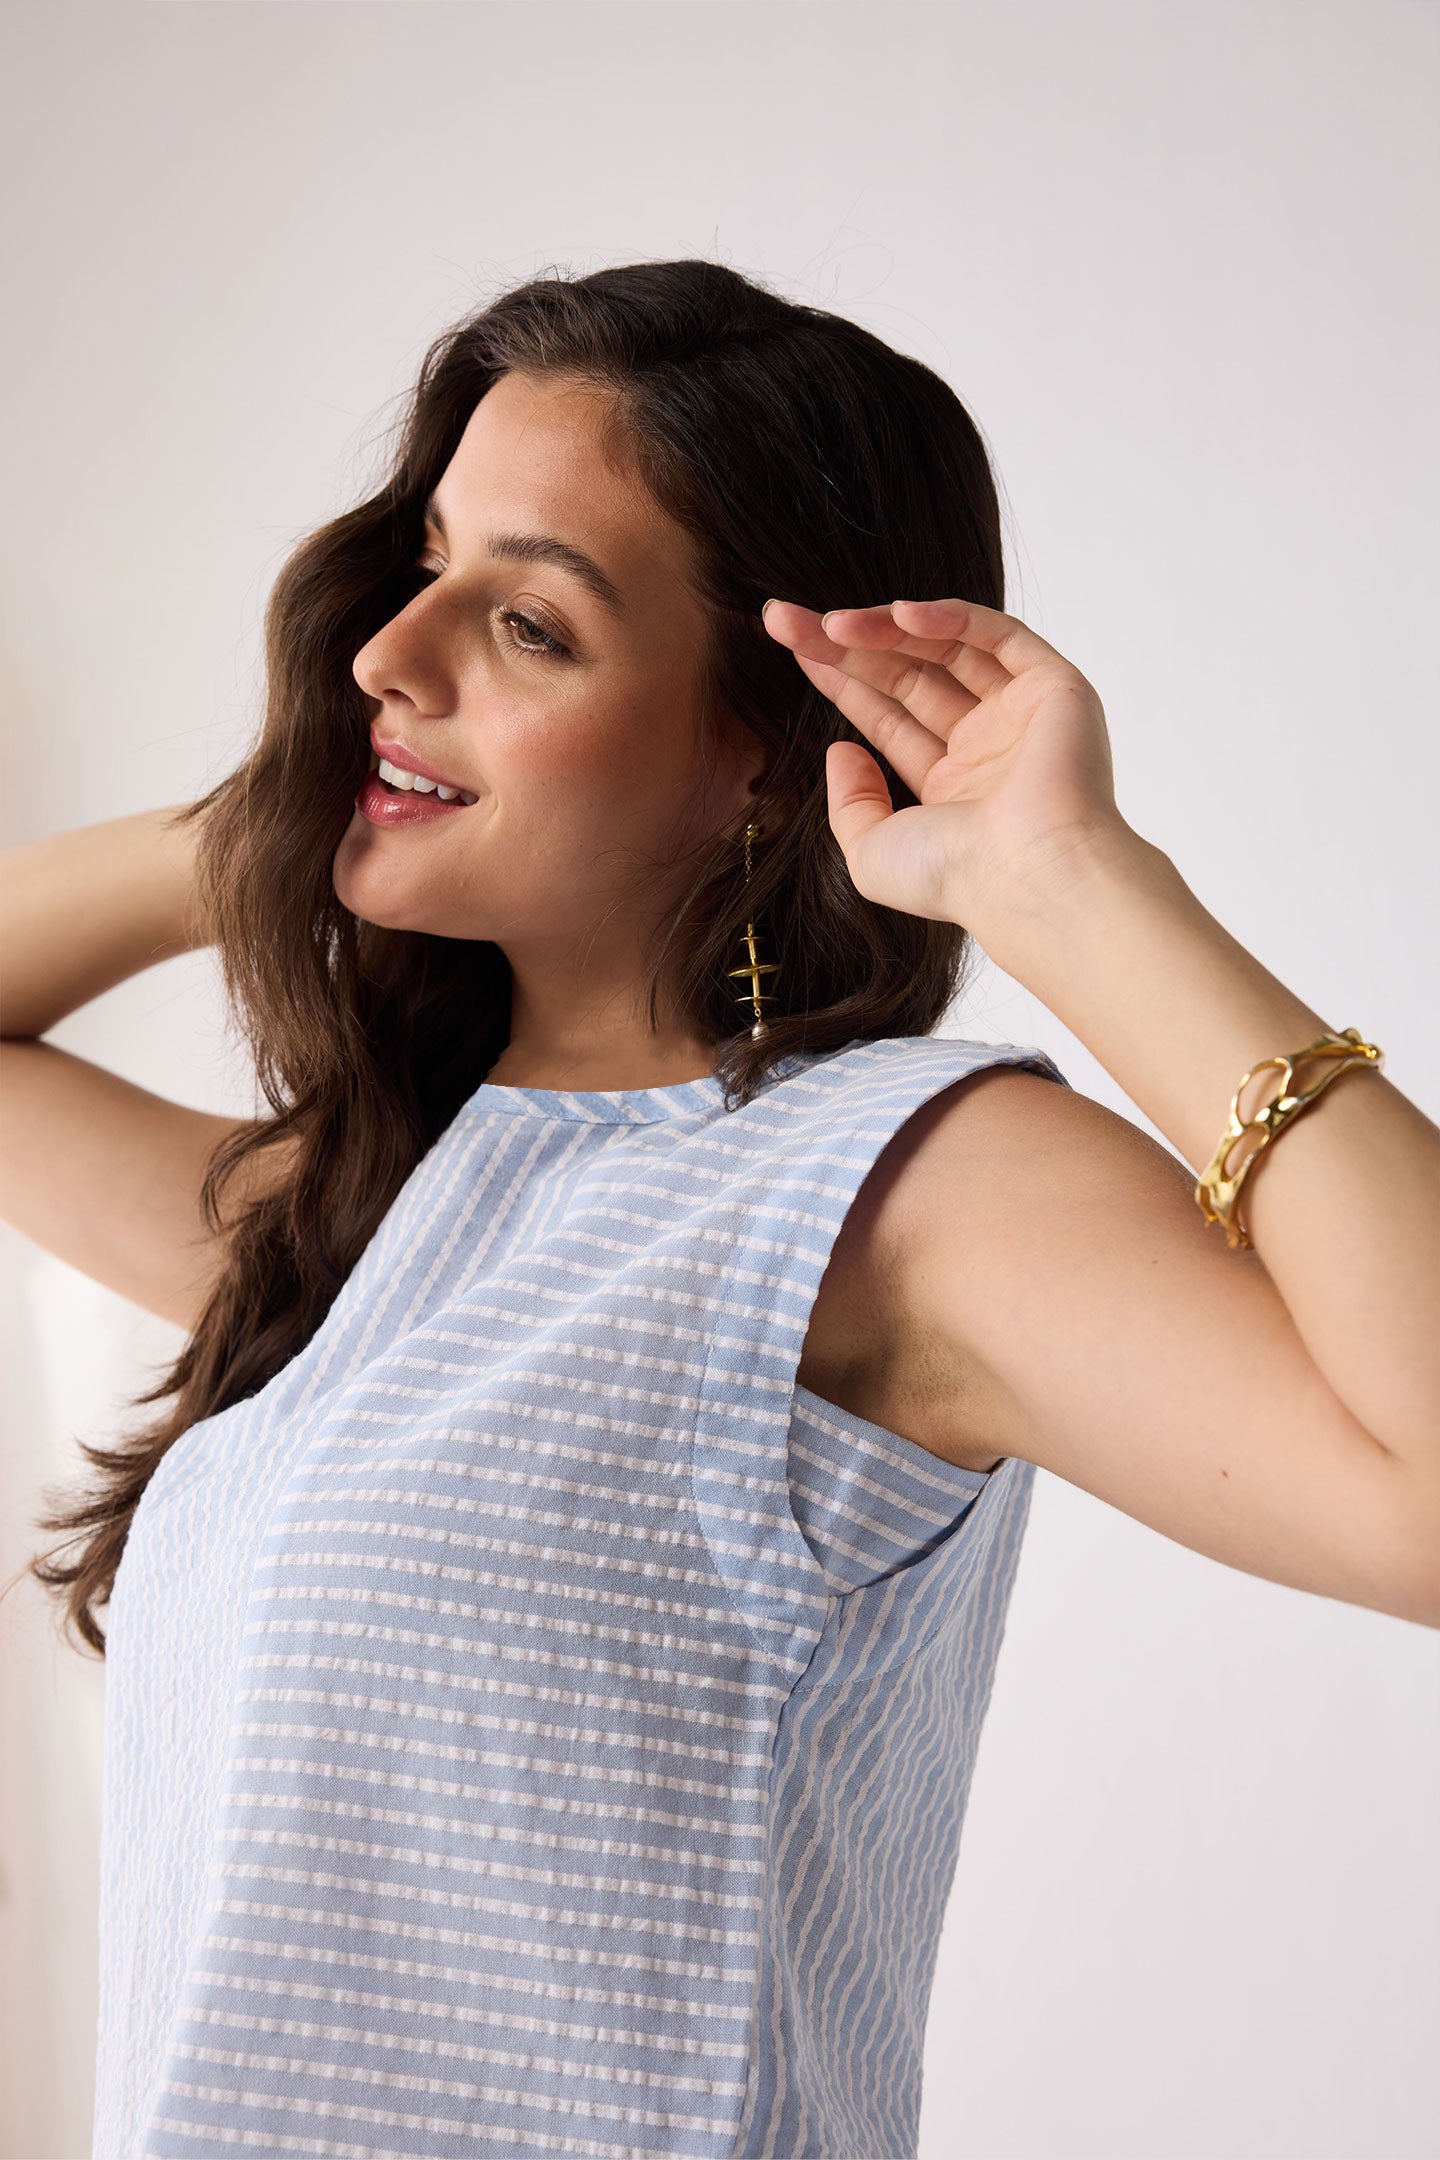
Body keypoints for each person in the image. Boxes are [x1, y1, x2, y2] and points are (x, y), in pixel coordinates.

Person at [2, 258, 1435, 2160]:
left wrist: (1073, 884)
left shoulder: (898, 1184)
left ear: (763, 745)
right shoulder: (371, 1211)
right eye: (423, 564)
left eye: (525, 623)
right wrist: (302, 800)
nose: (385, 654)